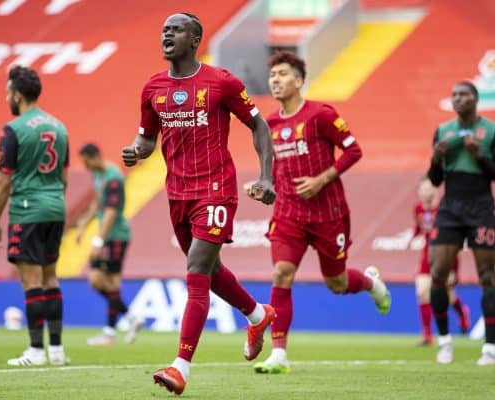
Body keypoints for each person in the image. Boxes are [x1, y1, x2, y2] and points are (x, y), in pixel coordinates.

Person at [121, 13, 277, 396]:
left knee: (196, 271)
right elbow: (147, 139)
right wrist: (136, 151)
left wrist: (266, 176)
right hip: (176, 193)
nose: (167, 34)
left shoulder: (221, 82)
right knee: (211, 268)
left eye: (176, 29)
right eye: (164, 29)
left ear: (195, 40)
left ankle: (180, 367)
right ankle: (258, 315)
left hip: (215, 188)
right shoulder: (152, 88)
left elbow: (259, 125)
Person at [245, 50, 391, 374]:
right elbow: (270, 170)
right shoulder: (267, 126)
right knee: (282, 273)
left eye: (282, 74)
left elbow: (354, 150)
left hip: (328, 213)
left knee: (336, 283)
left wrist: (321, 179)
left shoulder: (321, 115)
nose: (275, 80)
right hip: (288, 214)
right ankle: (279, 354)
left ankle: (369, 283)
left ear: (298, 80)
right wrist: (261, 185)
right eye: (272, 76)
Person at [0, 65, 69, 366]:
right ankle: (58, 351)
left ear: (18, 94)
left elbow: (4, 181)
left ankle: (36, 351)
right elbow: (64, 176)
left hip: (27, 210)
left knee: (31, 281)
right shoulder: (60, 127)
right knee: (51, 278)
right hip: (56, 208)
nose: (7, 98)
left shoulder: (14, 130)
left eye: (8, 92)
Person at [427, 80, 495, 365]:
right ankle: (444, 343)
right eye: (453, 95)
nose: (457, 99)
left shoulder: (490, 130)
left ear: (475, 99)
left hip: (480, 206)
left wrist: (479, 155)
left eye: (463, 94)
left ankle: (490, 347)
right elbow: (435, 179)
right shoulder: (444, 131)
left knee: (488, 277)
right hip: (451, 207)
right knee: (438, 274)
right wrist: (436, 157)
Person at [76, 143, 143, 345]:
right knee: (110, 284)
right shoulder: (99, 175)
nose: (85, 167)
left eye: (86, 162)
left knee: (97, 279)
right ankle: (113, 331)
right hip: (108, 235)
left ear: (95, 157)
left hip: (115, 235)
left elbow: (112, 212)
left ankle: (127, 320)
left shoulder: (113, 176)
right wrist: (83, 224)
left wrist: (98, 240)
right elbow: (98, 201)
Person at [411, 178, 470, 346]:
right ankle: (427, 335)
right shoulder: (418, 208)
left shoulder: (445, 208)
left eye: (426, 189)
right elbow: (418, 227)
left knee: (448, 297)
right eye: (420, 190)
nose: (422, 193)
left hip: (446, 257)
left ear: (434, 190)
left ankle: (462, 313)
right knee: (422, 292)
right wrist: (413, 237)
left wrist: (454, 268)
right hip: (426, 257)